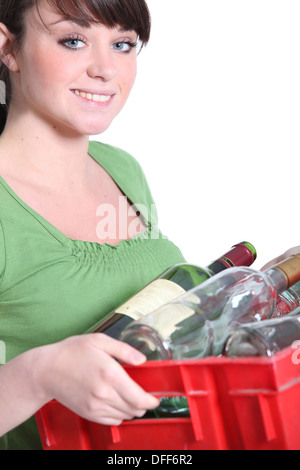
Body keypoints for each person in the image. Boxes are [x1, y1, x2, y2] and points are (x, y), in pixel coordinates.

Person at [0, 0, 187, 450]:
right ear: (8, 48)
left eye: (123, 44)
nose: (106, 69)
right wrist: (39, 373)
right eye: (74, 40)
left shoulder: (122, 169)